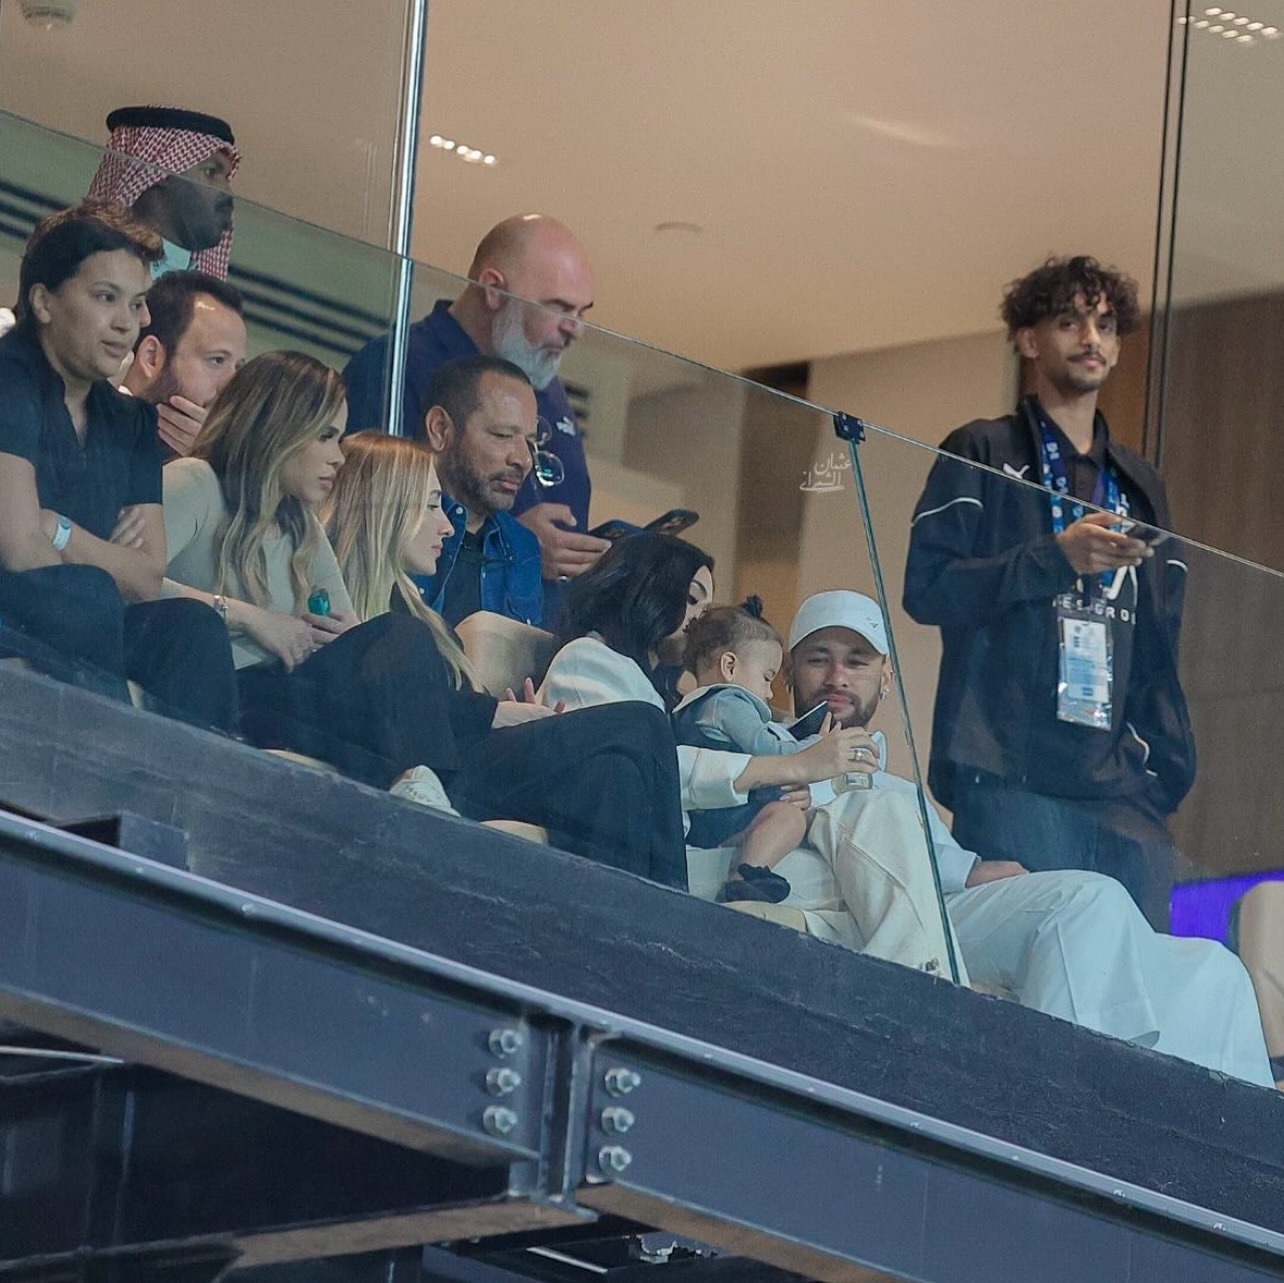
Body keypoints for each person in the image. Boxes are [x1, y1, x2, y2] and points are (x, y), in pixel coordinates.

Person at [785, 589, 1271, 1086]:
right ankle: (1050, 1096)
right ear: (788, 672)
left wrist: (967, 871)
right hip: (880, 912)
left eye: (856, 661)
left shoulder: (895, 785)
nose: (837, 677)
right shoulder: (773, 756)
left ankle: (1225, 1135)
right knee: (1085, 902)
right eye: (818, 659)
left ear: (886, 678)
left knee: (1214, 970)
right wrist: (965, 870)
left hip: (941, 907)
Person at [904, 255, 1193, 930]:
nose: (1092, 338)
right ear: (1029, 339)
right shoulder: (980, 449)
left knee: (1133, 979)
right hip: (1010, 770)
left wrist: (1165, 763)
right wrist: (1053, 559)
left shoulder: (1141, 484)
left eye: (1105, 324)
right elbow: (928, 589)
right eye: (1070, 321)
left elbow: (1162, 637)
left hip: (1120, 790)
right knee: (1024, 970)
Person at [538, 533, 959, 976]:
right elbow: (638, 771)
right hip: (661, 861)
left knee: (878, 873)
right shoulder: (591, 660)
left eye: (857, 662)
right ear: (648, 588)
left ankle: (920, 984)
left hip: (698, 851)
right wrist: (791, 767)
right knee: (873, 862)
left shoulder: (661, 691)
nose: (703, 618)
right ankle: (928, 987)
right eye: (694, 599)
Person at [319, 431, 688, 885]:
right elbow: (378, 706)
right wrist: (491, 713)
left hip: (463, 763)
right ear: (386, 508)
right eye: (432, 506)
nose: (447, 527)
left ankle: (611, 924)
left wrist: (503, 717)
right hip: (420, 767)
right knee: (640, 724)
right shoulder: (336, 602)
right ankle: (675, 911)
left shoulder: (420, 616)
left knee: (614, 772)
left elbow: (434, 707)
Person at [0, 201, 238, 731]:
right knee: (88, 592)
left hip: (87, 622)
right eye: (106, 298)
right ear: (44, 301)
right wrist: (102, 558)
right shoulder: (9, 380)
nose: (126, 323)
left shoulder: (130, 421)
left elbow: (146, 578)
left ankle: (200, 780)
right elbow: (17, 551)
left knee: (191, 628)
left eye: (136, 304)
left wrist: (58, 529)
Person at [342, 213, 608, 618]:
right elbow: (362, 514)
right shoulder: (396, 366)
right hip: (415, 622)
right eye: (559, 308)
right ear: (493, 290)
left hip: (532, 632)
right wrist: (509, 539)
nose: (576, 330)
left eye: (582, 312)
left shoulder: (549, 391)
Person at [673, 598, 819, 903]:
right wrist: (817, 748)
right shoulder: (728, 702)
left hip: (706, 814)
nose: (769, 693)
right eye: (767, 678)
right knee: (790, 818)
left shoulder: (690, 709)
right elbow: (770, 752)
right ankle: (745, 877)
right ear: (730, 667)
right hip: (721, 815)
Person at [413, 355, 545, 626]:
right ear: (440, 429)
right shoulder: (392, 519)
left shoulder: (523, 546)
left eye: (530, 443)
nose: (524, 460)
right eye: (502, 435)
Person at [88, 105, 239, 279]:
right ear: (159, 172)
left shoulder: (197, 286)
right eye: (210, 172)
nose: (227, 191)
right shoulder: (98, 269)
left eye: (226, 178)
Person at [121, 270, 247, 459]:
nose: (232, 387)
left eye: (238, 368)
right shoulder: (87, 425)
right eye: (217, 360)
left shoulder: (214, 462)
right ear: (151, 357)